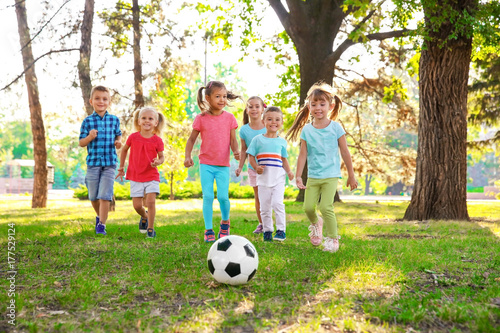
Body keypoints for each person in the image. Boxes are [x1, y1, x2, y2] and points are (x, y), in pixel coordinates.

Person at [287, 82, 357, 252]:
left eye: (322, 104)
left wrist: (351, 175)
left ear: (330, 106)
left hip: (331, 175)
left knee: (326, 207)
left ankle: (333, 239)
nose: (318, 107)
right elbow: (303, 154)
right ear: (309, 106)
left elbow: (345, 152)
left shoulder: (336, 128)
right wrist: (298, 176)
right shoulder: (307, 130)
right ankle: (316, 224)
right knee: (308, 207)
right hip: (313, 176)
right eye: (314, 104)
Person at [184, 80, 241, 243]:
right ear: (208, 98)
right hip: (206, 164)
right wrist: (187, 156)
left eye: (224, 96)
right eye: (218, 96)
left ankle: (225, 223)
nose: (222, 100)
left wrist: (236, 151)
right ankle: (208, 229)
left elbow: (233, 140)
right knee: (208, 196)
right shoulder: (201, 118)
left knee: (223, 197)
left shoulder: (230, 118)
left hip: (223, 165)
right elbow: (191, 140)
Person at [79, 85, 122, 235]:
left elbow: (118, 135)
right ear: (91, 101)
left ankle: (101, 226)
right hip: (93, 164)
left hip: (110, 163)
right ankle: (100, 217)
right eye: (97, 98)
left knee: (105, 195)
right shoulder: (87, 122)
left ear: (109, 102)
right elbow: (81, 142)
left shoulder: (114, 120)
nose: (101, 101)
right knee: (93, 196)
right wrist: (90, 137)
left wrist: (118, 142)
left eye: (104, 99)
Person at [116, 107, 165, 238]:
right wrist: (121, 167)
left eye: (150, 118)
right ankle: (145, 216)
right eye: (144, 118)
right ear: (138, 121)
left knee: (151, 202)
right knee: (137, 206)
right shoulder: (133, 137)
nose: (146, 121)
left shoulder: (157, 140)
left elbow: (162, 157)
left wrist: (158, 162)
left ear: (156, 122)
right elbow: (124, 150)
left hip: (151, 176)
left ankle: (151, 228)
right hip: (136, 176)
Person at [246, 106, 294, 242]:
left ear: (282, 122)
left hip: (278, 178)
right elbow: (250, 156)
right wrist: (255, 167)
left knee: (278, 204)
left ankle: (281, 231)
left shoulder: (282, 142)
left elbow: (283, 159)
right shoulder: (257, 140)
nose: (274, 122)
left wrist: (289, 172)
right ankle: (267, 230)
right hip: (263, 180)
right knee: (265, 207)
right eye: (270, 119)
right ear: (263, 121)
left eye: (277, 120)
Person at [235, 96, 267, 234]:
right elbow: (244, 150)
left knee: (269, 196)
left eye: (257, 106)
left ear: (262, 109)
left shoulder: (268, 127)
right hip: (253, 168)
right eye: (251, 106)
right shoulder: (244, 130)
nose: (254, 109)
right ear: (247, 110)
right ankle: (262, 224)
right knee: (258, 196)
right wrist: (240, 167)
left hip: (268, 167)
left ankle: (270, 222)